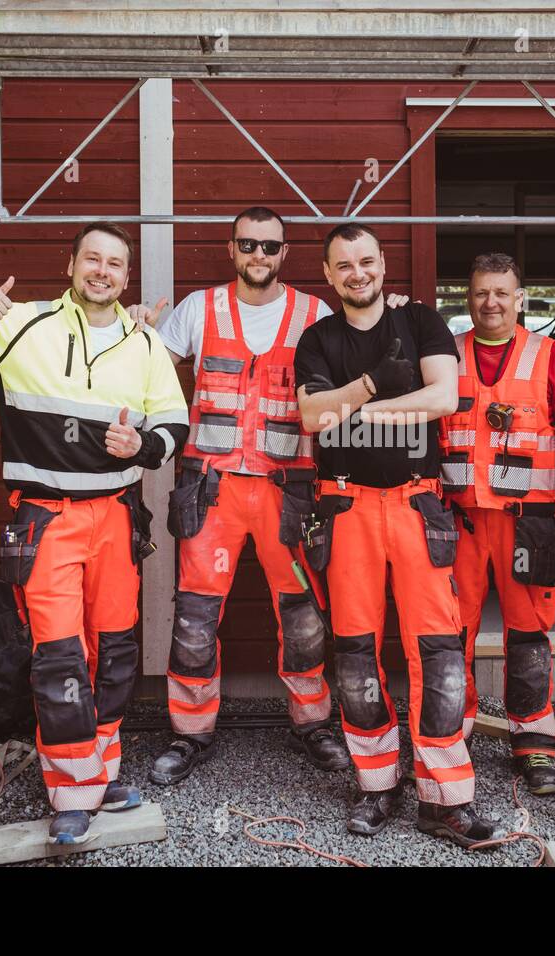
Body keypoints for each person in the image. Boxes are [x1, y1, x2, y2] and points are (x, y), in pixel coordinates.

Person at [0, 221, 188, 844]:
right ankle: (71, 791)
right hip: (47, 521)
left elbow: (175, 422)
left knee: (115, 653)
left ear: (125, 275)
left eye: (115, 264)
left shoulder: (142, 343)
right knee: (61, 657)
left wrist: (144, 445)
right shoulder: (22, 323)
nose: (103, 271)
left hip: (117, 518)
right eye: (92, 258)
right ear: (71, 264)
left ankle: (100, 773)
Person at [294, 223, 498, 848]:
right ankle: (377, 783)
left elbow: (446, 396)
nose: (358, 273)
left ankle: (444, 797)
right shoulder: (318, 338)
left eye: (367, 261)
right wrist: (379, 383)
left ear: (382, 265)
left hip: (416, 507)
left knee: (437, 651)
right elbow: (310, 417)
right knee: (355, 652)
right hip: (347, 507)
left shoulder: (423, 324)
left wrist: (354, 407)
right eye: (344, 265)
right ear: (329, 276)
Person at [147, 206, 350, 784]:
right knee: (194, 616)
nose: (258, 256)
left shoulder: (314, 313)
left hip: (289, 492)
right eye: (248, 245)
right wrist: (132, 324)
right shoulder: (198, 309)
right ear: (231, 248)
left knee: (304, 616)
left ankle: (312, 723)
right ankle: (189, 732)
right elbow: (146, 370)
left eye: (269, 246)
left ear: (285, 253)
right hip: (211, 491)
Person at [439, 253, 555, 795]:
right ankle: (450, 736)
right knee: (450, 634)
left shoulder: (551, 358)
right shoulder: (442, 353)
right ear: (467, 298)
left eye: (502, 293)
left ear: (521, 297)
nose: (491, 303)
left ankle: (534, 743)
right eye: (480, 293)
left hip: (529, 524)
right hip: (457, 521)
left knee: (528, 638)